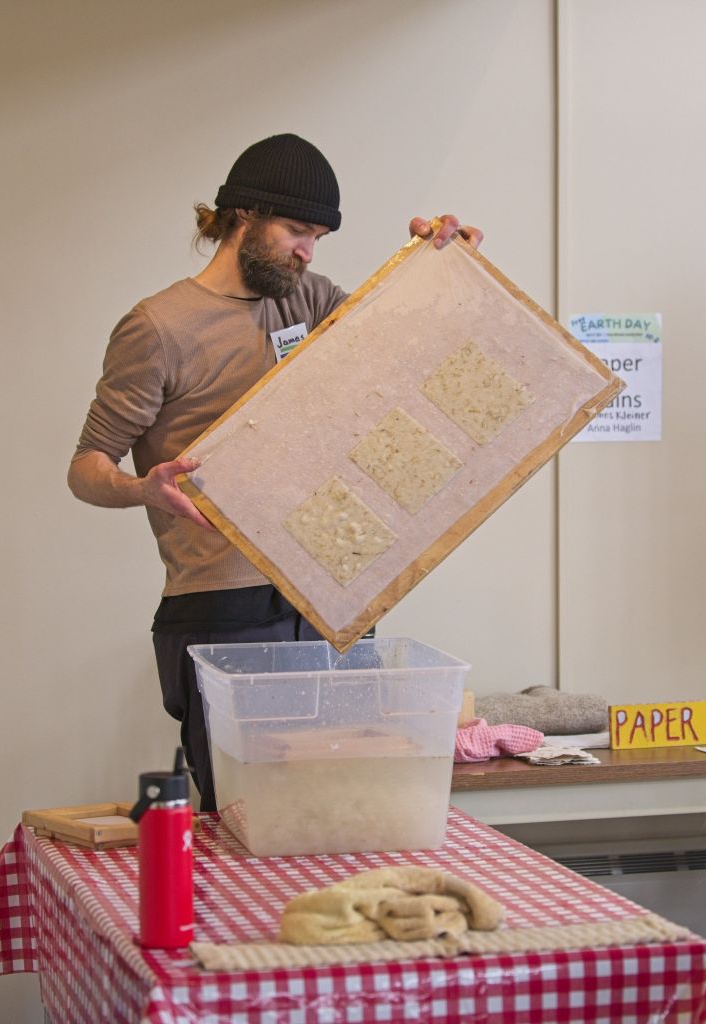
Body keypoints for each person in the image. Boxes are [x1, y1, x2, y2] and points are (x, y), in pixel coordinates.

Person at [68, 133, 483, 809]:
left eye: (317, 237)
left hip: (332, 600)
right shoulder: (157, 327)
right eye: (296, 230)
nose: (307, 251)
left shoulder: (308, 299)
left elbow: (403, 338)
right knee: (249, 820)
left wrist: (433, 262)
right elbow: (85, 466)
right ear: (242, 217)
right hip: (223, 609)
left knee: (347, 811)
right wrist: (143, 488)